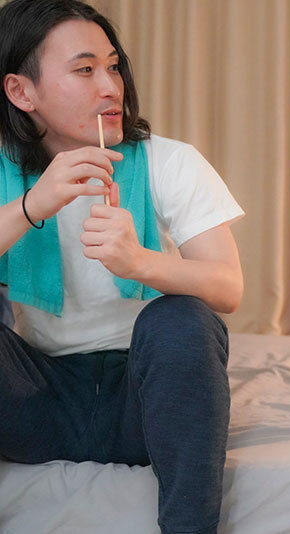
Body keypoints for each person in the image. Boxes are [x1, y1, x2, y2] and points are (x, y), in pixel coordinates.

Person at [0, 1, 244, 533]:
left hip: (145, 399)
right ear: (21, 92)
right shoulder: (4, 172)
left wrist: (140, 262)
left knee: (182, 318)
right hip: (39, 400)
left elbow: (228, 287)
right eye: (85, 70)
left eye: (113, 67)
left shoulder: (169, 161)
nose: (111, 87)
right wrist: (31, 206)